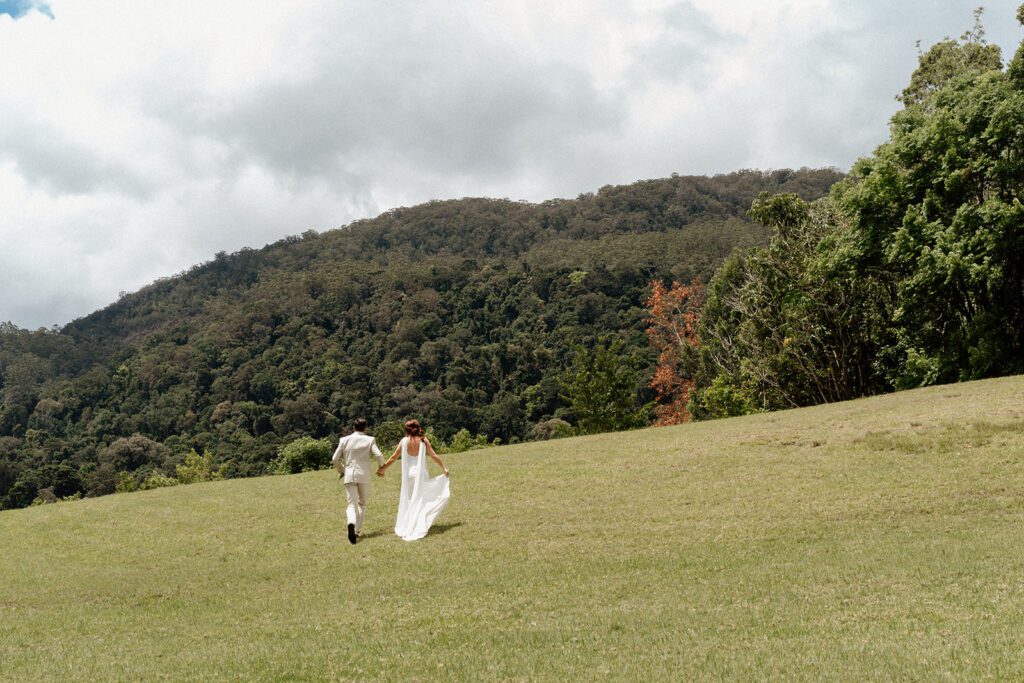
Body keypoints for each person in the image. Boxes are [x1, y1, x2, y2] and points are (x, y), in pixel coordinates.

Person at [377, 419, 450, 541]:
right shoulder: (423, 440)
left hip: (409, 475)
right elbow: (433, 455)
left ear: (406, 430)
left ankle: (411, 523)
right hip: (421, 474)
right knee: (420, 499)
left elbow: (394, 457)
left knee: (411, 499)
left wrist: (382, 469)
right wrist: (444, 468)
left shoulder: (404, 441)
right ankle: (418, 523)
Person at [331, 418, 385, 544]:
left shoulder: (344, 440)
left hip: (349, 475)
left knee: (351, 504)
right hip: (364, 475)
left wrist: (342, 470)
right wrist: (381, 467)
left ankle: (351, 522)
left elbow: (335, 458)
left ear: (353, 428)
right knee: (362, 503)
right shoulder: (369, 439)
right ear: (365, 428)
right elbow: (378, 455)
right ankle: (356, 531)